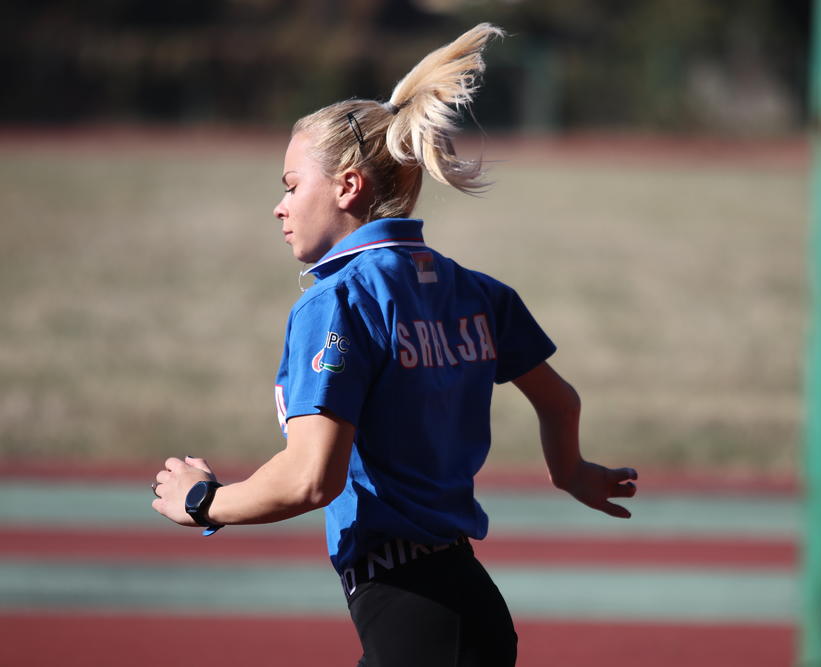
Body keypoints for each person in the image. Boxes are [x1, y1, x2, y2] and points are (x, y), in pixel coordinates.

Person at [151, 23, 638, 667]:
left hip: (414, 615)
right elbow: (560, 401)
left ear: (348, 187)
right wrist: (570, 471)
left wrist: (203, 502)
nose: (279, 206)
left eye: (292, 185)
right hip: (467, 601)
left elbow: (311, 479)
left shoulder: (337, 301)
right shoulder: (475, 290)